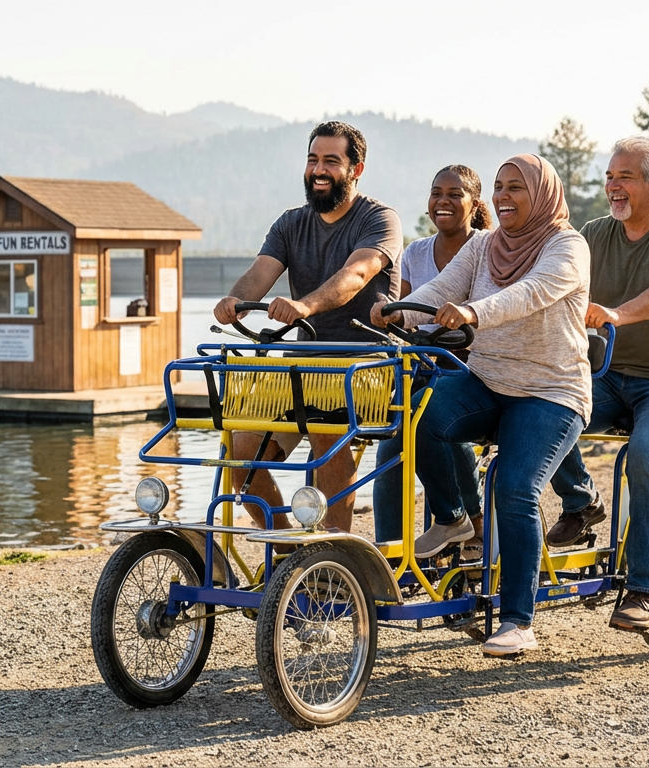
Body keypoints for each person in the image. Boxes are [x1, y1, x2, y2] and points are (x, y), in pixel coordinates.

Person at [371, 154, 590, 657]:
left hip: (552, 391)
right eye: (499, 187)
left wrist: (474, 310)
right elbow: (441, 288)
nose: (504, 197)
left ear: (544, 195)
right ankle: (452, 517)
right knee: (418, 414)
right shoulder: (485, 245)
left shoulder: (567, 246)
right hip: (489, 379)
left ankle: (517, 620)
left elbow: (532, 293)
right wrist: (400, 310)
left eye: (517, 188)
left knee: (514, 487)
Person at [544, 136, 649, 632]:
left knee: (647, 456)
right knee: (538, 412)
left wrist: (616, 313)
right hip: (607, 376)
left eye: (626, 177)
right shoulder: (595, 233)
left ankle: (646, 587)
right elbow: (551, 277)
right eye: (609, 177)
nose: (613, 186)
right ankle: (581, 502)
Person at [213, 120, 403, 536]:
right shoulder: (290, 223)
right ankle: (284, 545)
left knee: (323, 423)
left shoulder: (380, 219)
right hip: (305, 363)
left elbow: (357, 273)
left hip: (366, 364)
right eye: (313, 159)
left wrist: (304, 305)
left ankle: (338, 546)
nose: (319, 169)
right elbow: (258, 275)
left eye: (331, 161)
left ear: (356, 169)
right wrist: (234, 302)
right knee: (239, 450)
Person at [371, 165, 492, 547]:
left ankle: (469, 516)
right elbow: (407, 310)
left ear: (474, 204)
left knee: (436, 415)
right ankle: (388, 555)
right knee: (390, 446)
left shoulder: (490, 249)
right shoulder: (416, 252)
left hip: (472, 364)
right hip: (425, 361)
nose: (443, 201)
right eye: (436, 193)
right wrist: (389, 313)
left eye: (455, 194)